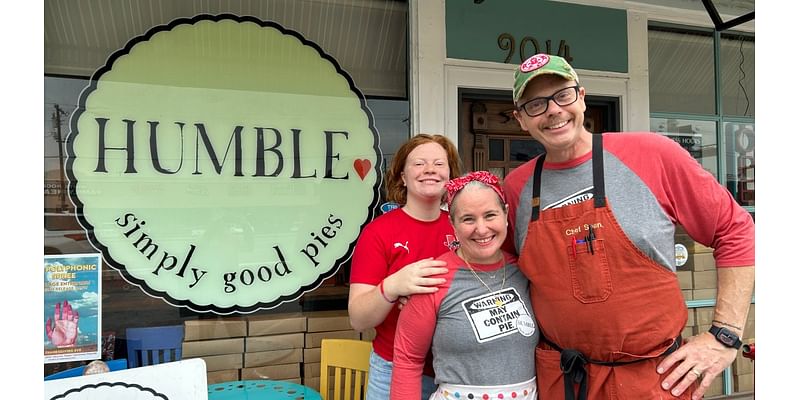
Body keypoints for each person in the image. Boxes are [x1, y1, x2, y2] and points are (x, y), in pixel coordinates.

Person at [504, 53, 755, 400]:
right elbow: (497, 276)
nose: (553, 110)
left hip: (656, 380)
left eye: (563, 95)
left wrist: (724, 334)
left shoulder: (652, 154)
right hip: (562, 381)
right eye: (536, 104)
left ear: (582, 96)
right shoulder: (516, 187)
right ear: (521, 120)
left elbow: (735, 229)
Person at [391, 171, 538, 400]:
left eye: (490, 215)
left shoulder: (524, 269)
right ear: (453, 223)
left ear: (506, 213)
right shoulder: (433, 278)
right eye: (468, 219)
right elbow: (407, 360)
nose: (481, 229)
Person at [348, 133, 463, 400]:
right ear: (402, 176)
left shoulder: (464, 227)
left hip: (457, 372)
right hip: (392, 369)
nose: (430, 169)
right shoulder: (379, 233)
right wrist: (393, 286)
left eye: (439, 163)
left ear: (450, 174)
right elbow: (358, 319)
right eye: (419, 163)